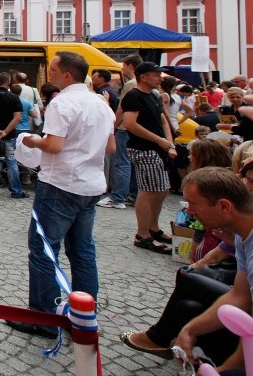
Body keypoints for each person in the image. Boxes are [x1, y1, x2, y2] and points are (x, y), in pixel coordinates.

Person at [4, 51, 115, 339]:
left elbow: (53, 145)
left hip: (61, 184)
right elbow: (111, 148)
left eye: (53, 69)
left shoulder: (62, 102)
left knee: (43, 250)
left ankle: (43, 318)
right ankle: (84, 311)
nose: (49, 73)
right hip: (90, 185)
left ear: (67, 75)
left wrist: (29, 139)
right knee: (82, 251)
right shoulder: (101, 103)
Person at [145, 167, 253, 374]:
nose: (188, 211)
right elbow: (239, 295)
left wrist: (224, 370)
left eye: (193, 204)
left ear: (223, 206)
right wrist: (189, 329)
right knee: (188, 307)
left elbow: (250, 330)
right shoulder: (242, 236)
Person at [123, 61, 177, 254]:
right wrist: (161, 141)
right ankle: (142, 234)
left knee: (161, 189)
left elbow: (163, 120)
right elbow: (130, 123)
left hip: (157, 148)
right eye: (155, 74)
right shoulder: (134, 95)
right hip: (143, 149)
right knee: (148, 191)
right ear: (143, 76)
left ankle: (152, 228)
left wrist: (168, 143)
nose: (159, 78)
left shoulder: (154, 95)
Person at [97, 54, 142, 210]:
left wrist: (112, 125)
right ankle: (133, 195)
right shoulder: (142, 84)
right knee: (133, 163)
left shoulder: (131, 84)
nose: (122, 68)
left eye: (124, 65)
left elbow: (123, 108)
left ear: (130, 66)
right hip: (136, 128)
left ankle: (118, 197)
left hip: (124, 128)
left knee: (122, 162)